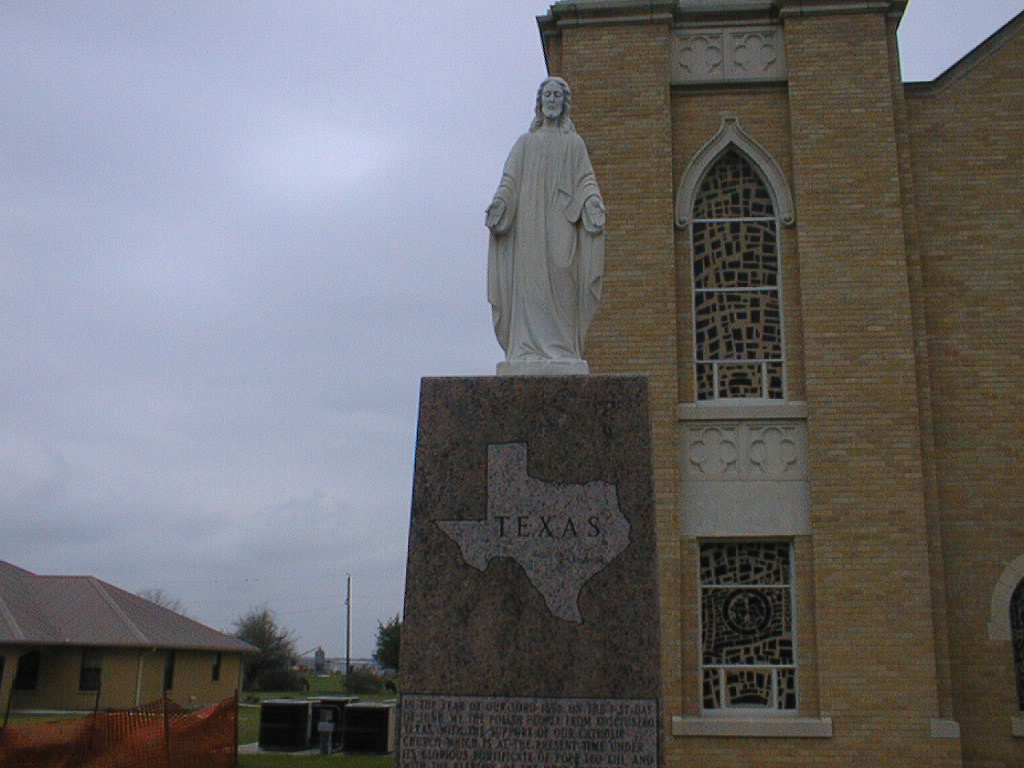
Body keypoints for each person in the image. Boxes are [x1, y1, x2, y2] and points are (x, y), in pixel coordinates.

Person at [486, 77, 606, 372]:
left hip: (561, 222)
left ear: (564, 104)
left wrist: (592, 202)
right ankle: (526, 348)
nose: (552, 100)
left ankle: (562, 348)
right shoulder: (525, 143)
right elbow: (510, 181)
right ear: (540, 104)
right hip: (529, 225)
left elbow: (586, 180)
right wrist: (501, 203)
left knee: (564, 274)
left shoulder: (574, 144)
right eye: (547, 95)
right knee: (530, 283)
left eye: (557, 96)